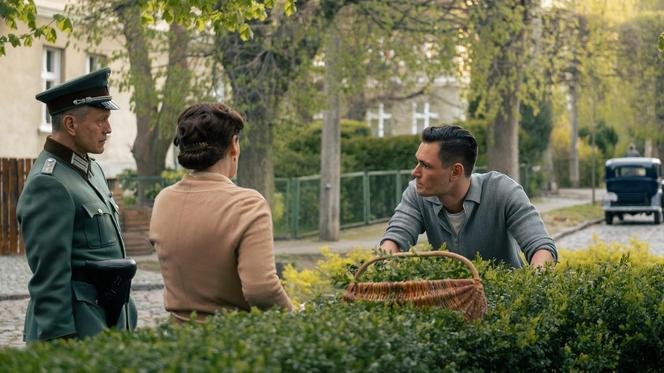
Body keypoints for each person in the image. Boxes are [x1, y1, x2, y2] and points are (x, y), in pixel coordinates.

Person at [16, 68, 137, 342]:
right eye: (101, 120)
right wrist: (63, 342)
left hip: (105, 322)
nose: (108, 129)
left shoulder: (90, 170)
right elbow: (49, 278)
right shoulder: (49, 183)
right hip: (78, 330)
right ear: (70, 125)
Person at [149, 103, 294, 322]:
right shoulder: (247, 204)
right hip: (230, 342)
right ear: (234, 145)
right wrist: (295, 315)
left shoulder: (163, 200)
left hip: (175, 340)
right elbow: (262, 289)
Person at [380, 125, 557, 268]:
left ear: (455, 171)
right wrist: (386, 268)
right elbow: (396, 236)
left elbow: (541, 246)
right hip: (447, 305)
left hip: (505, 305)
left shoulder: (503, 191)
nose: (415, 172)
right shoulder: (417, 193)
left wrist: (535, 283)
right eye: (418, 162)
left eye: (425, 165)